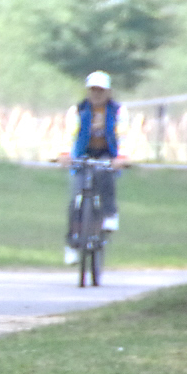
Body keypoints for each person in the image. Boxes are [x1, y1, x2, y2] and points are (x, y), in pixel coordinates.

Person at [57, 70, 127, 264]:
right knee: (75, 201)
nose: (97, 94)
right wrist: (65, 153)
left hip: (107, 153)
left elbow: (123, 134)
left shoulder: (117, 111)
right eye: (93, 90)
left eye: (101, 90)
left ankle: (110, 214)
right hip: (83, 153)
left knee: (105, 176)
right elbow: (69, 133)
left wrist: (121, 157)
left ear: (108, 92)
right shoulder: (78, 110)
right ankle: (72, 243)